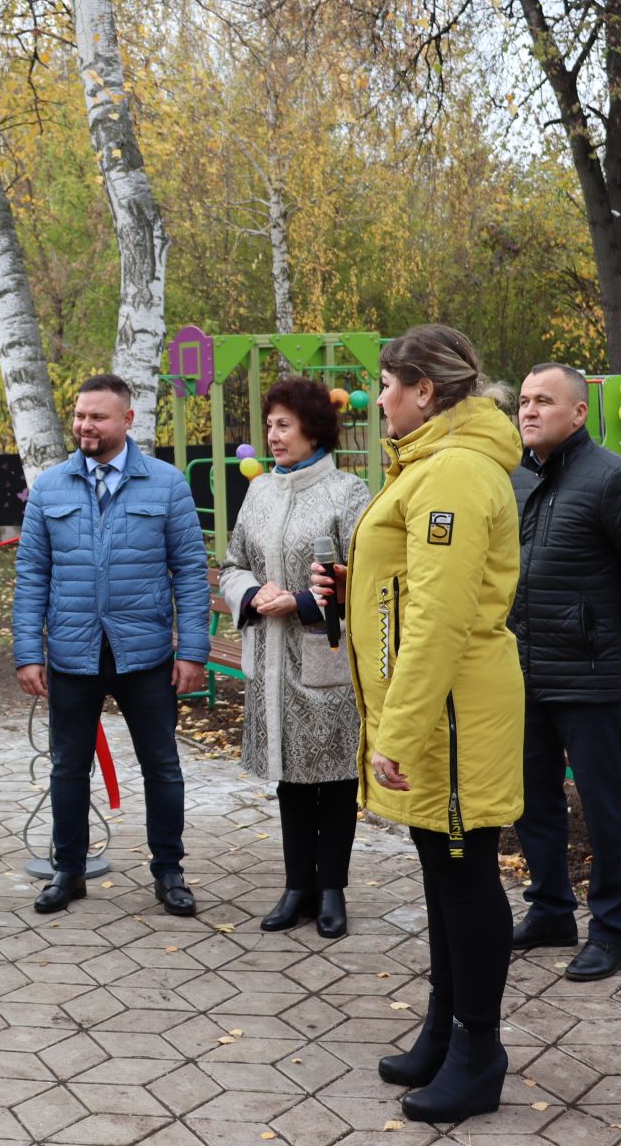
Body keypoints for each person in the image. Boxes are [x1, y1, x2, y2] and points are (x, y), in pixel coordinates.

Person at [310, 325, 523, 1124]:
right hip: (437, 706)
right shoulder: (430, 467)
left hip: (453, 712)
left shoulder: (456, 474)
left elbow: (440, 616)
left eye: (390, 384)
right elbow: (409, 586)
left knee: (465, 876)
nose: (381, 399)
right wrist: (351, 578)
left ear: (426, 391)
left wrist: (397, 730)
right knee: (443, 871)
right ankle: (444, 1029)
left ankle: (479, 1052)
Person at [509, 364, 621, 982]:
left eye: (544, 401)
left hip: (590, 678)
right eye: (524, 401)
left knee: (604, 807)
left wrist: (613, 643)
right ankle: (551, 909)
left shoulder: (615, 481)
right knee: (532, 801)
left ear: (579, 413)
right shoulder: (516, 481)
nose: (528, 411)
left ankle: (612, 931)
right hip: (522, 674)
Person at [14, 374, 209, 918]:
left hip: (145, 654)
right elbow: (31, 574)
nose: (85, 426)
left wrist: (192, 651)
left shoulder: (166, 485)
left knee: (162, 767)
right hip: (73, 655)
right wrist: (29, 652)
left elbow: (190, 572)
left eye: (97, 417)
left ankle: (168, 872)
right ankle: (68, 871)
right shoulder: (50, 487)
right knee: (68, 769)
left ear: (127, 421)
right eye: (79, 415)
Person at [217, 379, 370, 937]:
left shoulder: (348, 493)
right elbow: (232, 563)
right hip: (270, 661)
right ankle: (295, 886)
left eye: (284, 425)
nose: (273, 437)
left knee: (332, 777)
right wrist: (251, 594)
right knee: (289, 779)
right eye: (270, 426)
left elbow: (367, 581)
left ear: (314, 429)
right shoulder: (259, 493)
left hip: (323, 657)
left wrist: (302, 600)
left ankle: (332, 888)